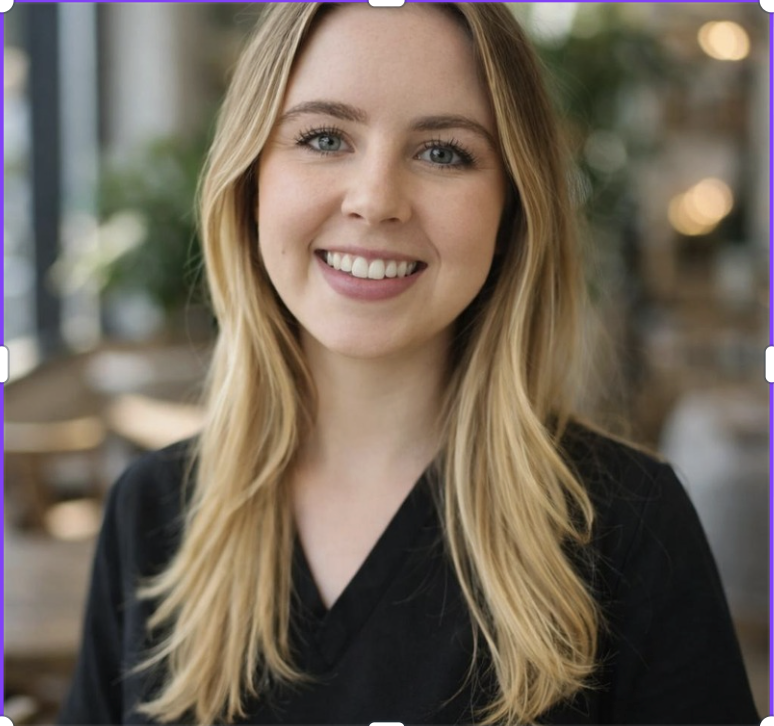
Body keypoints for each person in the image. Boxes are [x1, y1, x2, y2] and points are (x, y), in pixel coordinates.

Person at [59, 4, 759, 725]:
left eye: (443, 152)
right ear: (251, 181)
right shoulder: (153, 511)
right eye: (325, 137)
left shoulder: (630, 526)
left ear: (511, 212)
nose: (375, 200)